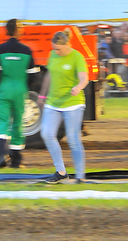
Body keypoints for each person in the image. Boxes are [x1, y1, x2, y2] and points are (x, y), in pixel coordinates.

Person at [38, 28, 89, 184]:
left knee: (73, 140)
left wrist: (79, 87)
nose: (56, 51)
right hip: (53, 103)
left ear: (67, 45)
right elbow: (49, 74)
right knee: (46, 134)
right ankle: (61, 172)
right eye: (54, 48)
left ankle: (80, 176)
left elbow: (84, 77)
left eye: (58, 49)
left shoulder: (77, 57)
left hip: (72, 103)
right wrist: (42, 94)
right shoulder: (53, 54)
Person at [0, 19, 38, 169]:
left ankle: (0, 155)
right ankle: (16, 161)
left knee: (0, 122)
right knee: (18, 123)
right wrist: (25, 87)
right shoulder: (26, 50)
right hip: (20, 90)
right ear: (18, 30)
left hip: (4, 89)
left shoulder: (0, 49)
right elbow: (33, 74)